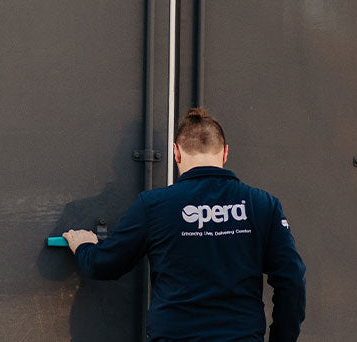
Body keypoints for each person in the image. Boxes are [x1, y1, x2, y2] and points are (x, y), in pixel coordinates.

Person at [62, 108, 307, 342]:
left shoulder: (154, 205)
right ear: (225, 153)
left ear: (176, 153)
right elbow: (292, 279)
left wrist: (84, 247)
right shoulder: (262, 205)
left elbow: (104, 264)